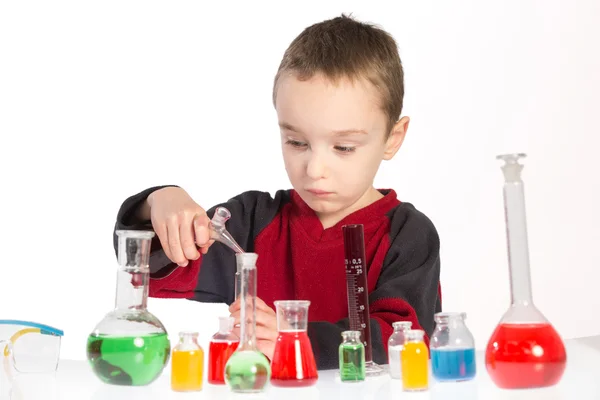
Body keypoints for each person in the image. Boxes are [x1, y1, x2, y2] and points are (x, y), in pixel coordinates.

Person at [113, 14, 441, 370]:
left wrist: (294, 339)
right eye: (296, 141)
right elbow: (146, 267)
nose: (315, 169)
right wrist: (157, 203)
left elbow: (405, 339)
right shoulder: (253, 223)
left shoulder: (408, 235)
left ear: (392, 139)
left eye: (344, 147)